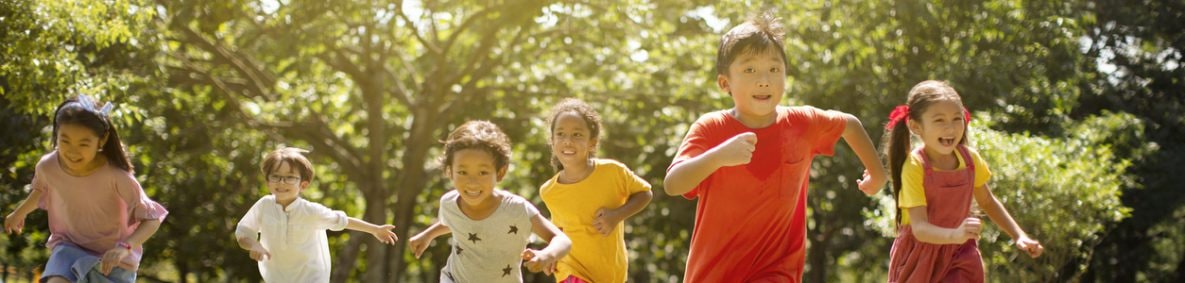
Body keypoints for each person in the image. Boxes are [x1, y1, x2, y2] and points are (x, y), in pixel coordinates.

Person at [662, 12, 887, 282]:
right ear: (725, 83)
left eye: (774, 69)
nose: (764, 80)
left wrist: (877, 173)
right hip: (713, 274)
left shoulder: (802, 123)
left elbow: (849, 124)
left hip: (777, 271)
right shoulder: (711, 128)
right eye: (749, 70)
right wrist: (719, 156)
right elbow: (673, 184)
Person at [883, 80, 1044, 282]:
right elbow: (920, 229)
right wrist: (955, 234)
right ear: (916, 126)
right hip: (920, 257)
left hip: (960, 254)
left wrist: (1019, 235)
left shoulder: (970, 160)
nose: (950, 128)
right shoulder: (915, 166)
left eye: (956, 119)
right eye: (939, 120)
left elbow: (987, 201)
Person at [4, 94, 169, 283]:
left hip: (112, 261)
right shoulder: (47, 166)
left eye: (84, 144)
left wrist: (125, 247)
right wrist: (19, 212)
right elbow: (42, 189)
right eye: (65, 141)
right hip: (69, 247)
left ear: (102, 140)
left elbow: (152, 220)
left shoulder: (117, 176)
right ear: (56, 133)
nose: (73, 151)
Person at [408, 120, 571, 283]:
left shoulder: (516, 209)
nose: (472, 181)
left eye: (483, 172)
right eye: (463, 172)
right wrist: (428, 235)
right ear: (450, 171)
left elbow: (562, 240)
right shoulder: (449, 204)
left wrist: (546, 255)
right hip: (454, 279)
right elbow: (454, 223)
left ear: (500, 173)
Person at [234, 147, 398, 282]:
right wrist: (254, 245)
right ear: (267, 181)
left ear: (303, 185)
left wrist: (375, 229)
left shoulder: (311, 211)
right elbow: (243, 233)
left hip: (312, 278)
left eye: (290, 177)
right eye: (276, 177)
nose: (282, 182)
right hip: (277, 278)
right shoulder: (264, 206)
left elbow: (343, 221)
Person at [538, 98, 653, 283]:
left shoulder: (612, 172)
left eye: (577, 135)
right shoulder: (549, 191)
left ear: (592, 142)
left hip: (610, 272)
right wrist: (551, 251)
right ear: (552, 141)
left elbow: (645, 193)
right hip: (571, 270)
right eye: (560, 134)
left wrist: (616, 215)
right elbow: (558, 229)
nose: (567, 141)